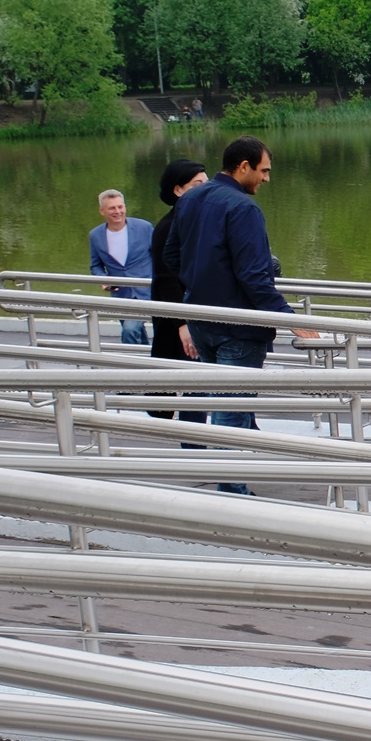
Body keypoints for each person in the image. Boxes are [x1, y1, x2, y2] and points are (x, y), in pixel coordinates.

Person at [163, 135, 317, 494]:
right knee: (231, 410)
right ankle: (232, 494)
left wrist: (200, 285)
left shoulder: (191, 199)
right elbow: (254, 277)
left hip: (201, 318)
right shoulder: (244, 209)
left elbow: (172, 255)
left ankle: (239, 478)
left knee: (227, 401)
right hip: (239, 325)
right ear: (243, 166)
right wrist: (291, 318)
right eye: (264, 171)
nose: (266, 178)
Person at [147, 160, 211, 425]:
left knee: (197, 375)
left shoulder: (198, 220)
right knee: (185, 373)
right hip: (177, 314)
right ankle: (187, 432)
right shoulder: (168, 227)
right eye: (197, 184)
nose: (205, 189)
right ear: (178, 190)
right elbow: (166, 279)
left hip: (197, 309)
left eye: (207, 183)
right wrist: (182, 323)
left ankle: (192, 428)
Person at [88, 189, 154, 345]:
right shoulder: (95, 235)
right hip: (120, 294)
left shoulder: (144, 228)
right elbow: (96, 265)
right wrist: (103, 280)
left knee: (130, 330)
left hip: (146, 290)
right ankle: (144, 358)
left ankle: (129, 360)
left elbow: (161, 256)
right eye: (112, 208)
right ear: (102, 211)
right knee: (135, 332)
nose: (118, 211)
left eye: (120, 207)